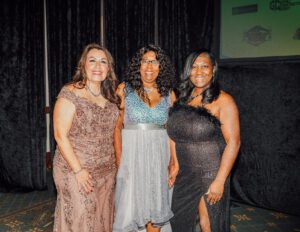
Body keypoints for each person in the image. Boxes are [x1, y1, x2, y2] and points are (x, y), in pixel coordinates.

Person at [166, 50, 240, 232]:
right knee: (178, 220)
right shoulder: (182, 99)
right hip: (184, 173)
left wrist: (219, 180)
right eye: (194, 66)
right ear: (187, 71)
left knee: (209, 224)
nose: (199, 71)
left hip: (210, 173)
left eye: (204, 66)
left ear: (213, 70)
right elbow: (173, 133)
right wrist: (174, 163)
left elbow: (234, 143)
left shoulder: (224, 100)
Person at [52, 43, 120, 232]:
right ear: (83, 65)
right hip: (75, 169)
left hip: (106, 170)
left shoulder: (111, 96)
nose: (97, 66)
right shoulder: (70, 93)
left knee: (102, 219)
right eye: (92, 61)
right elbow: (60, 135)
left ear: (109, 68)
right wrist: (78, 170)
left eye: (103, 62)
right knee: (81, 219)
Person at [113, 44, 179, 232]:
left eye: (154, 62)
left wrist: (174, 161)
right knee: (131, 205)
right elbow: (116, 128)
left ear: (161, 66)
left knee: (155, 202)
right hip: (132, 158)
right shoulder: (124, 90)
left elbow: (171, 130)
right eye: (145, 62)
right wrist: (120, 160)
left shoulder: (169, 94)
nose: (149, 67)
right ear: (138, 65)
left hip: (159, 157)